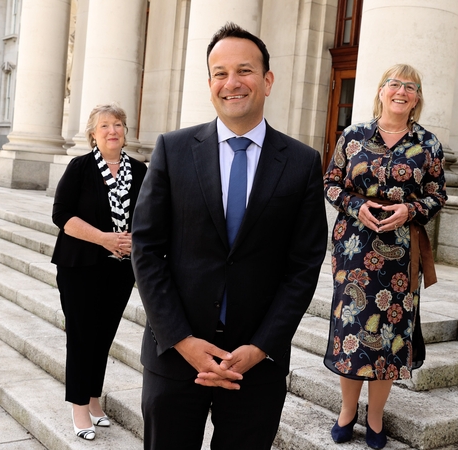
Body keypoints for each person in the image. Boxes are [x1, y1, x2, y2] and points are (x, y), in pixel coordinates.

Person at [132, 22, 328, 450]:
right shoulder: (172, 150)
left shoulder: (301, 163)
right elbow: (146, 250)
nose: (232, 83)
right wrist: (182, 340)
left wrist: (260, 347)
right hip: (176, 356)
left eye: (244, 70)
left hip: (255, 365)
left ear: (267, 81)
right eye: (220, 73)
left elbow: (303, 266)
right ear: (209, 85)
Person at [323, 64, 447, 449]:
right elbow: (330, 183)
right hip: (354, 250)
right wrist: (355, 204)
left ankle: (375, 417)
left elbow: (438, 194)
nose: (401, 91)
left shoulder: (428, 144)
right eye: (394, 84)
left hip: (400, 256)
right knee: (351, 332)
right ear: (381, 91)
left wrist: (410, 210)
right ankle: (347, 411)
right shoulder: (353, 135)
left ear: (417, 97)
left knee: (389, 336)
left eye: (410, 86)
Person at [51, 103, 147, 440]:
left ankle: (93, 398)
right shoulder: (80, 167)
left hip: (120, 269)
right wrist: (104, 238)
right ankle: (79, 407)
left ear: (125, 131)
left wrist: (135, 239)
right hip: (79, 266)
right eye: (104, 125)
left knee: (103, 336)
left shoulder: (140, 171)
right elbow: (62, 215)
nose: (112, 131)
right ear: (93, 134)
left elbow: (149, 215)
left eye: (117, 124)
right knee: (82, 336)